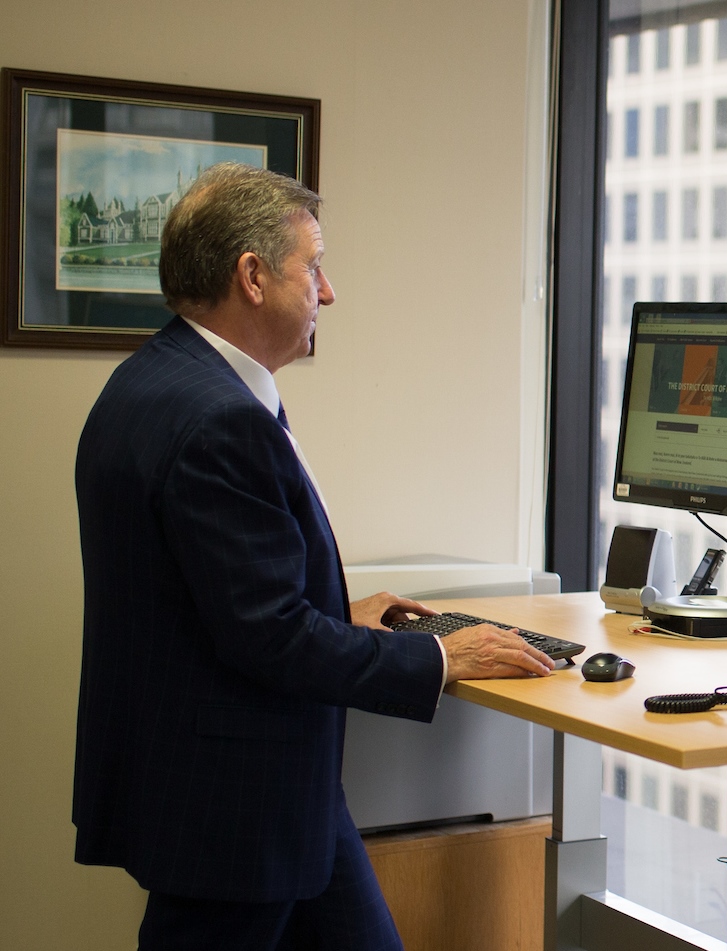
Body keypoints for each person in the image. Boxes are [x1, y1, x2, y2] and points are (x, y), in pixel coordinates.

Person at [73, 162, 555, 951]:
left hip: (256, 786)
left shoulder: (149, 382)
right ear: (253, 276)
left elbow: (208, 593)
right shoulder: (219, 419)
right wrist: (440, 657)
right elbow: (266, 636)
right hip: (234, 805)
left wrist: (339, 609)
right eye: (315, 266)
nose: (328, 292)